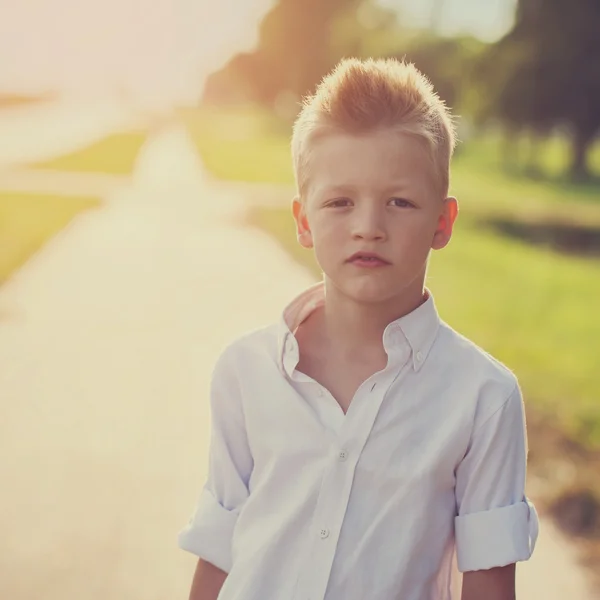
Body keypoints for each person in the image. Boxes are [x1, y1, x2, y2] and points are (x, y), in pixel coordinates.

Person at [178, 57, 539, 600]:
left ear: (442, 222)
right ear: (304, 221)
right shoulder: (245, 370)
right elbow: (220, 547)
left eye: (399, 202)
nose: (368, 227)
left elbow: (489, 584)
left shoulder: (483, 398)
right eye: (340, 202)